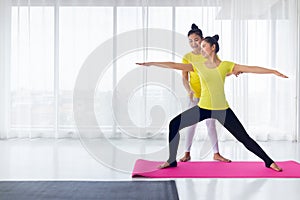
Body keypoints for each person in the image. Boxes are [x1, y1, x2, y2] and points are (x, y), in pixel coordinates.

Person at [136, 34, 288, 172]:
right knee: (174, 124)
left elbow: (250, 68)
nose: (200, 49)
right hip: (203, 108)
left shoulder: (226, 65)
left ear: (213, 47)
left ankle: (269, 162)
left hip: (222, 110)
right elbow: (175, 65)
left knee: (244, 138)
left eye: (203, 46)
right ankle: (171, 160)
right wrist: (152, 63)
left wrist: (272, 71)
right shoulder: (199, 65)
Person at [180, 23, 230, 163]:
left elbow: (221, 70)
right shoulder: (187, 57)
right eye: (190, 40)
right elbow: (184, 77)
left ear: (202, 39)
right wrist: (188, 90)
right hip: (195, 96)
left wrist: (235, 71)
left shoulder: (208, 54)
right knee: (191, 124)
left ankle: (216, 153)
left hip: (209, 97)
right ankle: (187, 153)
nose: (193, 43)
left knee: (210, 124)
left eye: (196, 39)